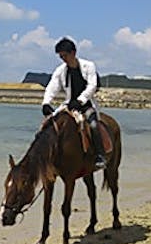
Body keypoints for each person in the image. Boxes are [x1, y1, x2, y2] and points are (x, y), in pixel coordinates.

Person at [41, 37, 106, 169]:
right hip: (69, 105)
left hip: (86, 105)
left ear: (73, 52)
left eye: (65, 55)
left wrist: (80, 100)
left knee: (93, 125)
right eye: (61, 57)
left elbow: (92, 86)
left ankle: (100, 155)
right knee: (46, 125)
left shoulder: (89, 66)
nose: (63, 59)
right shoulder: (60, 71)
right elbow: (52, 87)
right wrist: (46, 103)